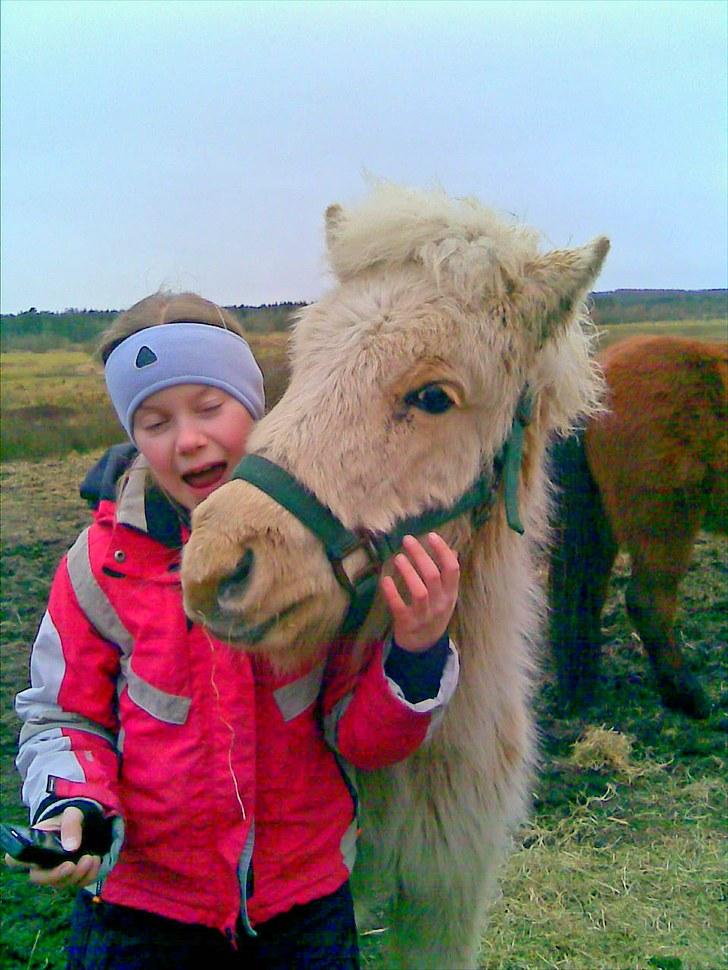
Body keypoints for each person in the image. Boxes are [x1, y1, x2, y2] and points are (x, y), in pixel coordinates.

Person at [8, 292, 461, 969]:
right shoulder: (99, 568)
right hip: (142, 914)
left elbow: (362, 739)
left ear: (259, 408)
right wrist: (76, 804)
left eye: (210, 406)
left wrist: (417, 653)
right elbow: (63, 716)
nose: (187, 438)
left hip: (301, 912)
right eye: (155, 421)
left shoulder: (327, 558)